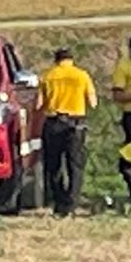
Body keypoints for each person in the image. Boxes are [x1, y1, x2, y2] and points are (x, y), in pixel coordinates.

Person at [38, 48, 98, 218]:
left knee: (54, 166)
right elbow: (93, 102)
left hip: (54, 122)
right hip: (75, 123)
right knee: (75, 165)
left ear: (56, 60)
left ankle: (59, 202)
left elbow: (39, 104)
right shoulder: (82, 75)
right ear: (71, 60)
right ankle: (72, 203)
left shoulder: (47, 76)